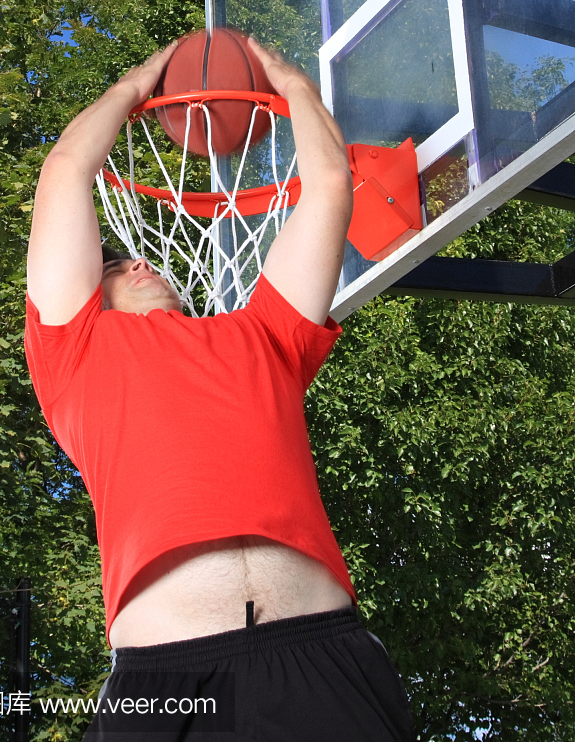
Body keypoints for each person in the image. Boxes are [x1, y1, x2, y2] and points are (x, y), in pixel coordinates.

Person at [25, 37, 415, 740]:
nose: (138, 259)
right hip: (167, 680)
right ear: (91, 288)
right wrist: (138, 83)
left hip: (323, 658)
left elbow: (329, 188)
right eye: (115, 265)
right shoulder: (75, 351)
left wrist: (289, 81)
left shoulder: (265, 332)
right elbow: (64, 172)